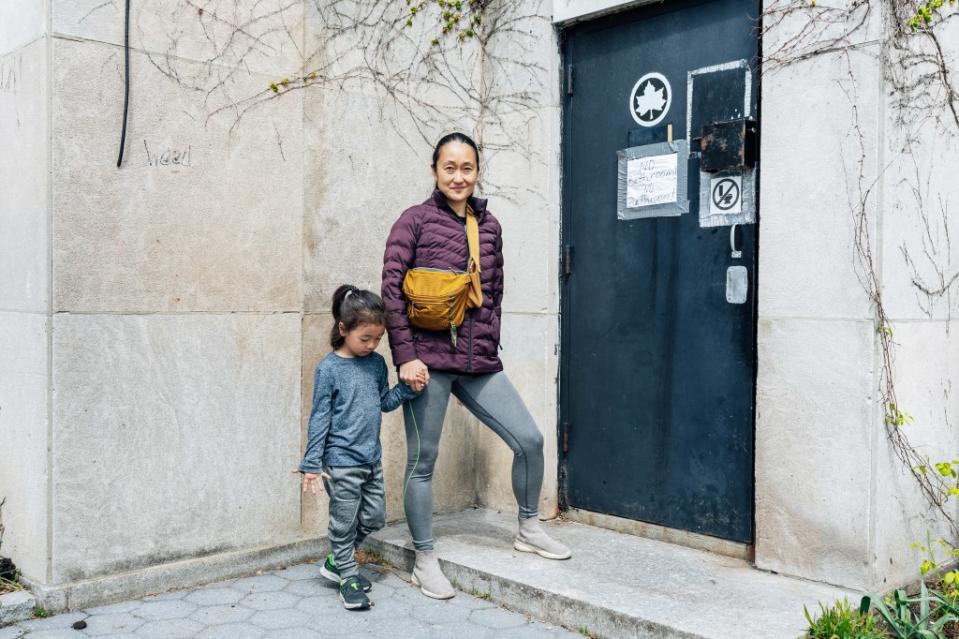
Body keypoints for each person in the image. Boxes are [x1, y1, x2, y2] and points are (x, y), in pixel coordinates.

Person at [382, 132, 572, 601]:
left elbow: (495, 294)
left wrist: (487, 348)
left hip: (479, 360)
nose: (459, 176)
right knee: (422, 462)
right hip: (427, 364)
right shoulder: (414, 222)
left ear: (476, 171)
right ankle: (424, 559)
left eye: (467, 168)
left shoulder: (490, 226)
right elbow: (391, 292)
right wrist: (405, 356)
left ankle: (528, 528)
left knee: (529, 439)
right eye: (450, 167)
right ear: (434, 171)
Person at [297, 284, 421, 611]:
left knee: (375, 517)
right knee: (343, 522)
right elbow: (319, 418)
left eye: (377, 339)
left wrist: (408, 390)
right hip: (340, 463)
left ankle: (338, 561)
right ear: (343, 329)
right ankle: (348, 576)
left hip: (371, 459)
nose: (371, 345)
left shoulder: (376, 364)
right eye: (364, 338)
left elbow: (384, 402)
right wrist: (312, 463)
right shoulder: (329, 369)